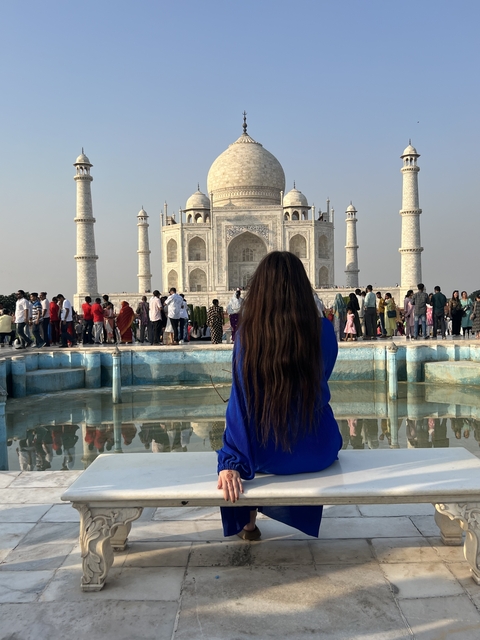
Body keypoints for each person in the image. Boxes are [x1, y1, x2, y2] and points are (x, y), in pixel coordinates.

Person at [216, 251, 342, 540]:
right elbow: (322, 381)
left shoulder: (248, 336)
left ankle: (247, 523)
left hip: (265, 453)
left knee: (243, 444)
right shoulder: (322, 330)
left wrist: (231, 462)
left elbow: (240, 404)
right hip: (319, 448)